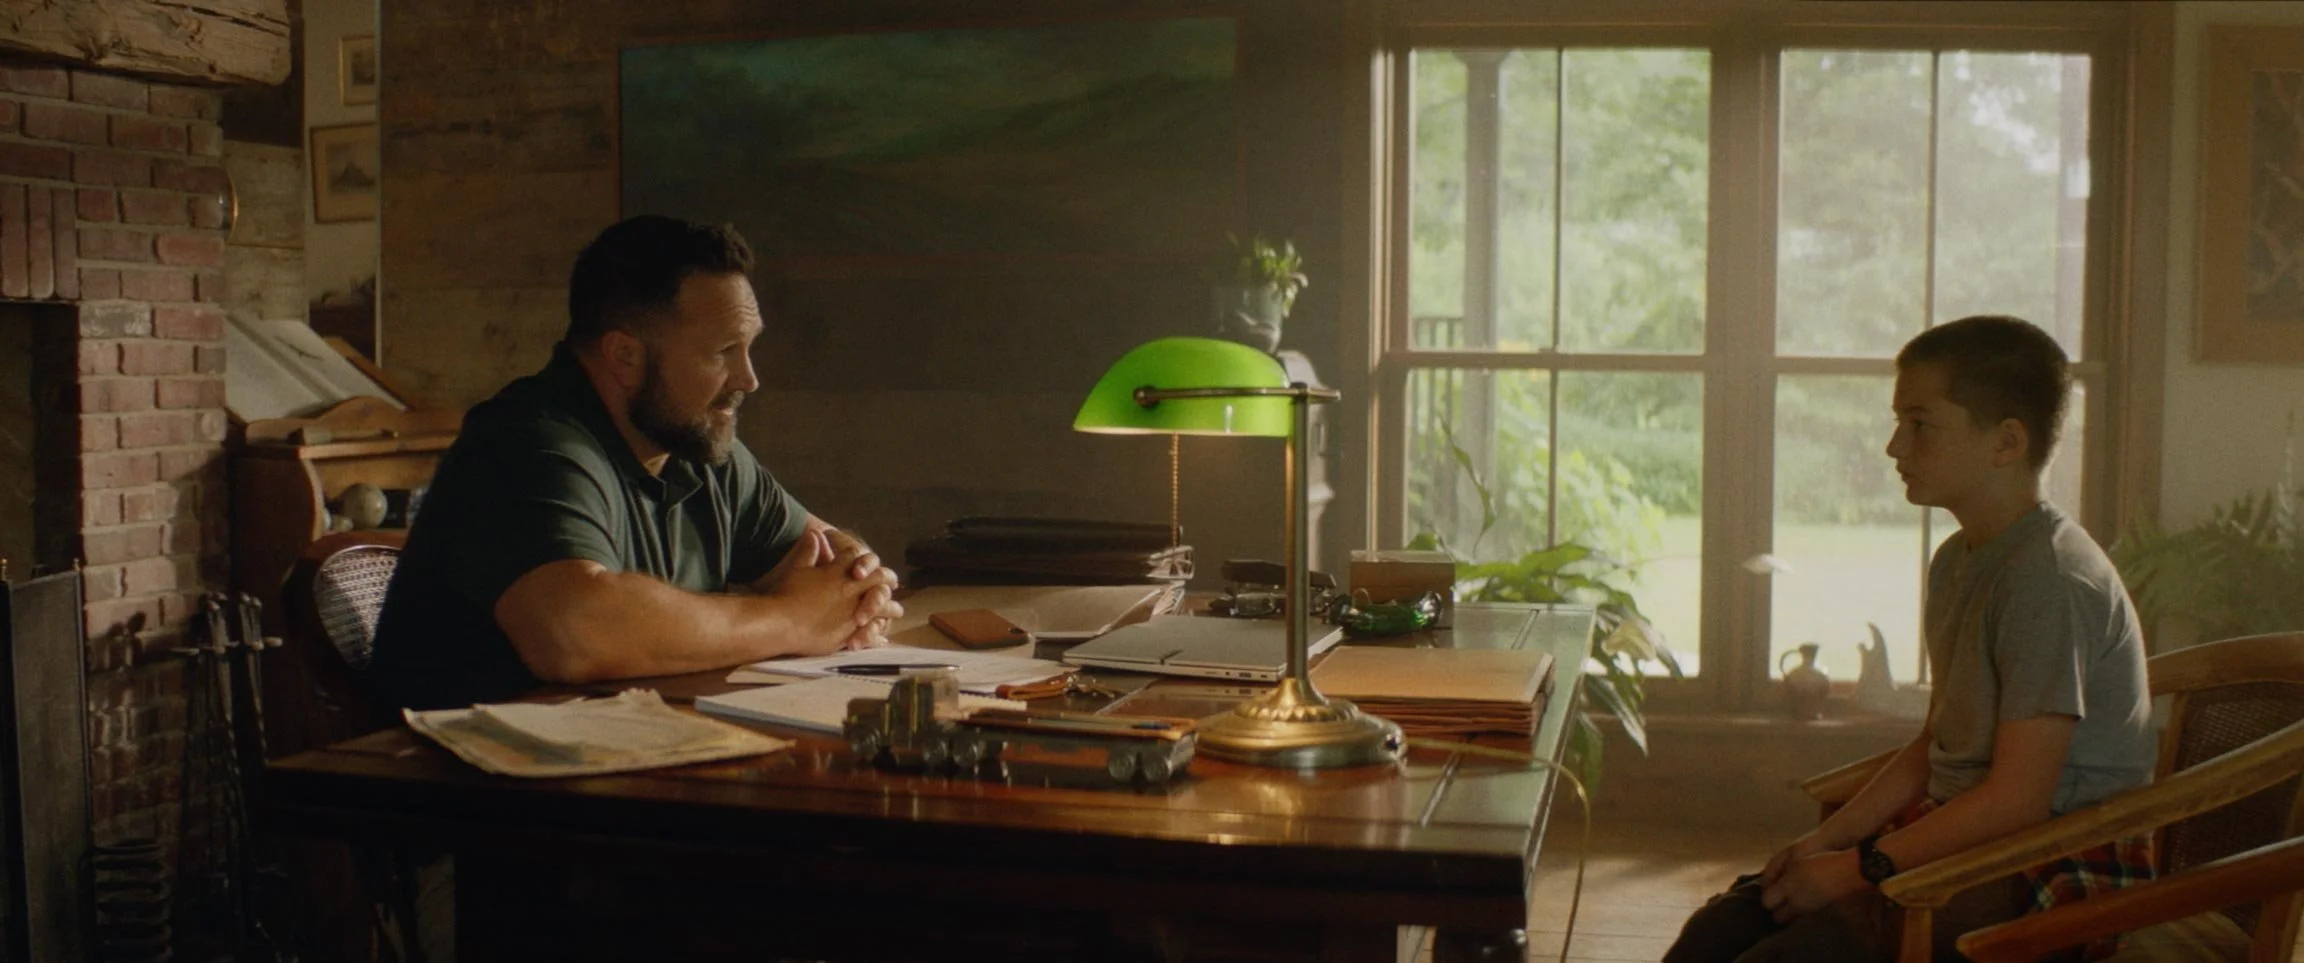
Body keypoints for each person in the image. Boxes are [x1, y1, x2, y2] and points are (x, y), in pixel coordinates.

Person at [1663, 315, 2156, 963]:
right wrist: (1823, 845)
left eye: (1920, 424)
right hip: (1960, 832)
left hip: (2045, 858)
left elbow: (2018, 799)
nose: (1895, 446)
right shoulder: (1958, 561)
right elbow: (1936, 744)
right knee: (1724, 926)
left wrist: (1851, 870)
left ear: (2006, 441)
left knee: (1793, 955)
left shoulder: (2050, 581)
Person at [368, 215, 901, 711]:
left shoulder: (695, 443)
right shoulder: (523, 445)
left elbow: (836, 562)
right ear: (625, 356)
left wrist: (852, 595)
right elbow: (575, 633)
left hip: (621, 771)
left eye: (749, 348)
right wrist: (792, 620)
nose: (748, 379)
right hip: (460, 793)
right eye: (723, 352)